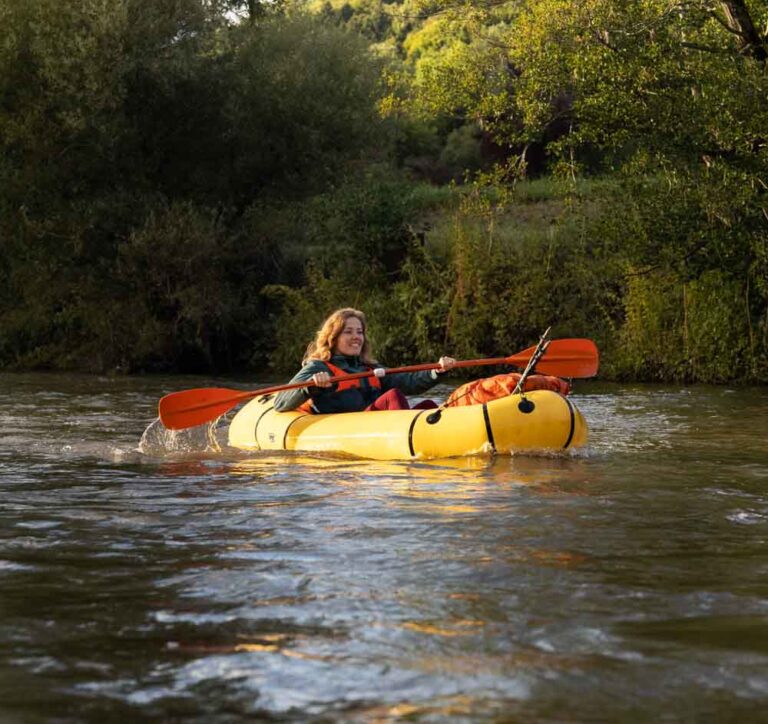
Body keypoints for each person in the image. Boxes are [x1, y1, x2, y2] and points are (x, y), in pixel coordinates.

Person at [273, 308, 455, 414]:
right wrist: (309, 387)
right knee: (393, 397)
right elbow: (281, 403)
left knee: (430, 407)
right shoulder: (318, 366)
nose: (356, 337)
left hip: (374, 425)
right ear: (332, 338)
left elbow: (409, 382)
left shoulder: (370, 368)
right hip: (345, 428)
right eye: (348, 332)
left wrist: (437, 372)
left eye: (359, 332)